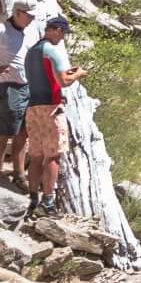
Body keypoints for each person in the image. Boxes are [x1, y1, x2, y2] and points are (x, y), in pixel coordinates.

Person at [23, 12, 82, 217]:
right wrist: (79, 74)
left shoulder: (32, 52)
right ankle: (48, 202)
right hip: (51, 107)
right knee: (53, 155)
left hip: (32, 107)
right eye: (63, 32)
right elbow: (63, 81)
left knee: (36, 154)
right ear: (55, 30)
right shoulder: (52, 50)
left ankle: (32, 198)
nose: (63, 37)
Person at [0, 0, 34, 196]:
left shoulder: (26, 33)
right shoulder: (3, 30)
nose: (30, 19)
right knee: (5, 131)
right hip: (8, 87)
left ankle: (19, 173)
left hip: (25, 87)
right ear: (18, 12)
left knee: (23, 132)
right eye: (28, 15)